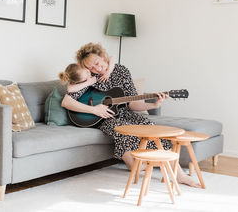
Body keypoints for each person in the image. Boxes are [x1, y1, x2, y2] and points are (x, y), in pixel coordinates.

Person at [61, 42, 201, 188]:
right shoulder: (89, 77)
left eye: (97, 63)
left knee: (151, 128)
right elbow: (66, 102)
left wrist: (153, 105)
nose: (96, 68)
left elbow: (132, 103)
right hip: (104, 118)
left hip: (126, 114)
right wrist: (95, 110)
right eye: (91, 67)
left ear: (103, 57)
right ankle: (135, 165)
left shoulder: (121, 71)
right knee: (121, 129)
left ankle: (180, 176)